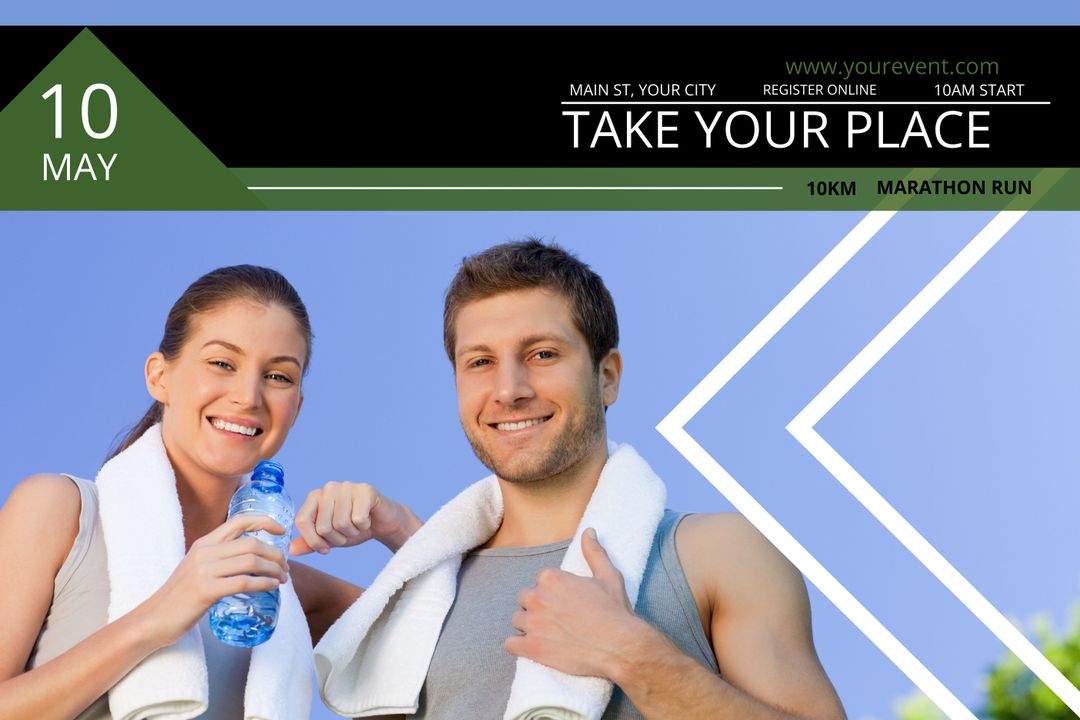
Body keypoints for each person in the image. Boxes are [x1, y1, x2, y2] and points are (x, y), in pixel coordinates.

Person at [315, 240, 846, 720]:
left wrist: (633, 654)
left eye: (542, 354)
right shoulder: (422, 596)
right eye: (479, 362)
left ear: (607, 377)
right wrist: (413, 545)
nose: (509, 390)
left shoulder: (720, 553)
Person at [0, 265, 421, 720]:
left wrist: (400, 528)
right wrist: (155, 619)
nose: (248, 396)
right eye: (222, 363)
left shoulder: (275, 587)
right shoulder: (60, 514)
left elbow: (451, 669)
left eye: (278, 376)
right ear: (160, 376)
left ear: (296, 408)